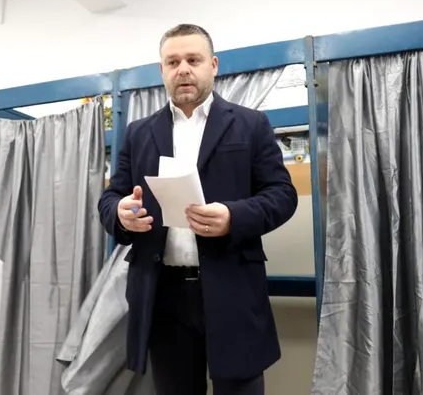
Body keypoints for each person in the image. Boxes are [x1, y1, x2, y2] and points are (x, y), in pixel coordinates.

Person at [98, 24, 298, 395]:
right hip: (162, 295)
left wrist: (233, 217)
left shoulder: (251, 124)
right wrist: (121, 214)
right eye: (173, 62)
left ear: (213, 65)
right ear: (162, 70)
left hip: (233, 289)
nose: (183, 69)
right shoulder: (139, 132)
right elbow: (111, 198)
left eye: (193, 59)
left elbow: (283, 195)